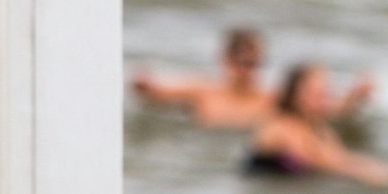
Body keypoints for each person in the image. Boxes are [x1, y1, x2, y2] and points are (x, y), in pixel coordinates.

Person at [132, 29, 372, 130]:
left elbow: (323, 108)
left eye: (256, 63)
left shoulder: (270, 97)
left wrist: (354, 97)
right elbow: (158, 93)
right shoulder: (202, 90)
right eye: (243, 62)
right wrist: (143, 85)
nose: (249, 70)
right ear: (225, 59)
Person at [244, 64, 388, 186]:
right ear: (295, 95)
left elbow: (341, 158)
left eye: (326, 92)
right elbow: (322, 163)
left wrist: (379, 167)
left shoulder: (318, 128)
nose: (324, 99)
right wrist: (371, 175)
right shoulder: (282, 126)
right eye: (317, 94)